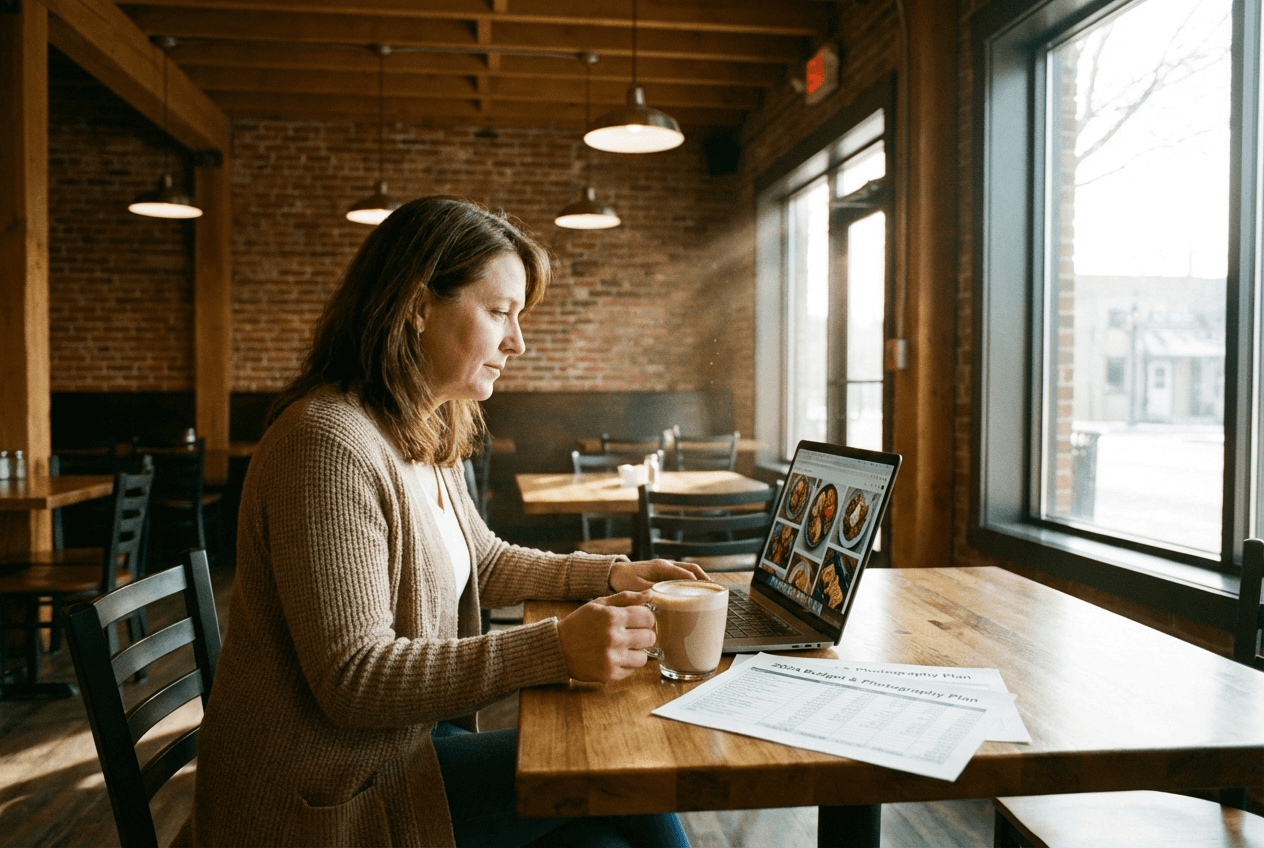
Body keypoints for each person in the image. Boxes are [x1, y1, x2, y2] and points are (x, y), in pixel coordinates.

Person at [190, 196, 701, 847]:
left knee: (606, 829)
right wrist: (553, 648)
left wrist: (611, 573)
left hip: (403, 753)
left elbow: (482, 561)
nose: (518, 341)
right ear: (417, 305)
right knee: (626, 773)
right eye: (499, 313)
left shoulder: (421, 424)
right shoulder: (325, 443)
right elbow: (354, 678)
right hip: (321, 799)